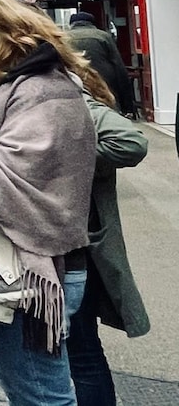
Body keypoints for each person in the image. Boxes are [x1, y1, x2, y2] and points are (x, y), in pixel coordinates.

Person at [0, 0, 97, 406]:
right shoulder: (36, 87)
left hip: (37, 274)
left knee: (42, 397)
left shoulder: (38, 91)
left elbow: (13, 190)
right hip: (38, 271)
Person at [67, 84, 149, 406]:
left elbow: (132, 143)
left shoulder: (66, 96)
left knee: (81, 350)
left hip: (74, 248)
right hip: (61, 245)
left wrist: (61, 155)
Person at [66, 12, 138, 119]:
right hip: (104, 80)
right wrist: (127, 106)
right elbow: (119, 67)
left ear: (71, 24)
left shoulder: (65, 37)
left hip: (76, 79)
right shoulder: (104, 36)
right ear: (92, 23)